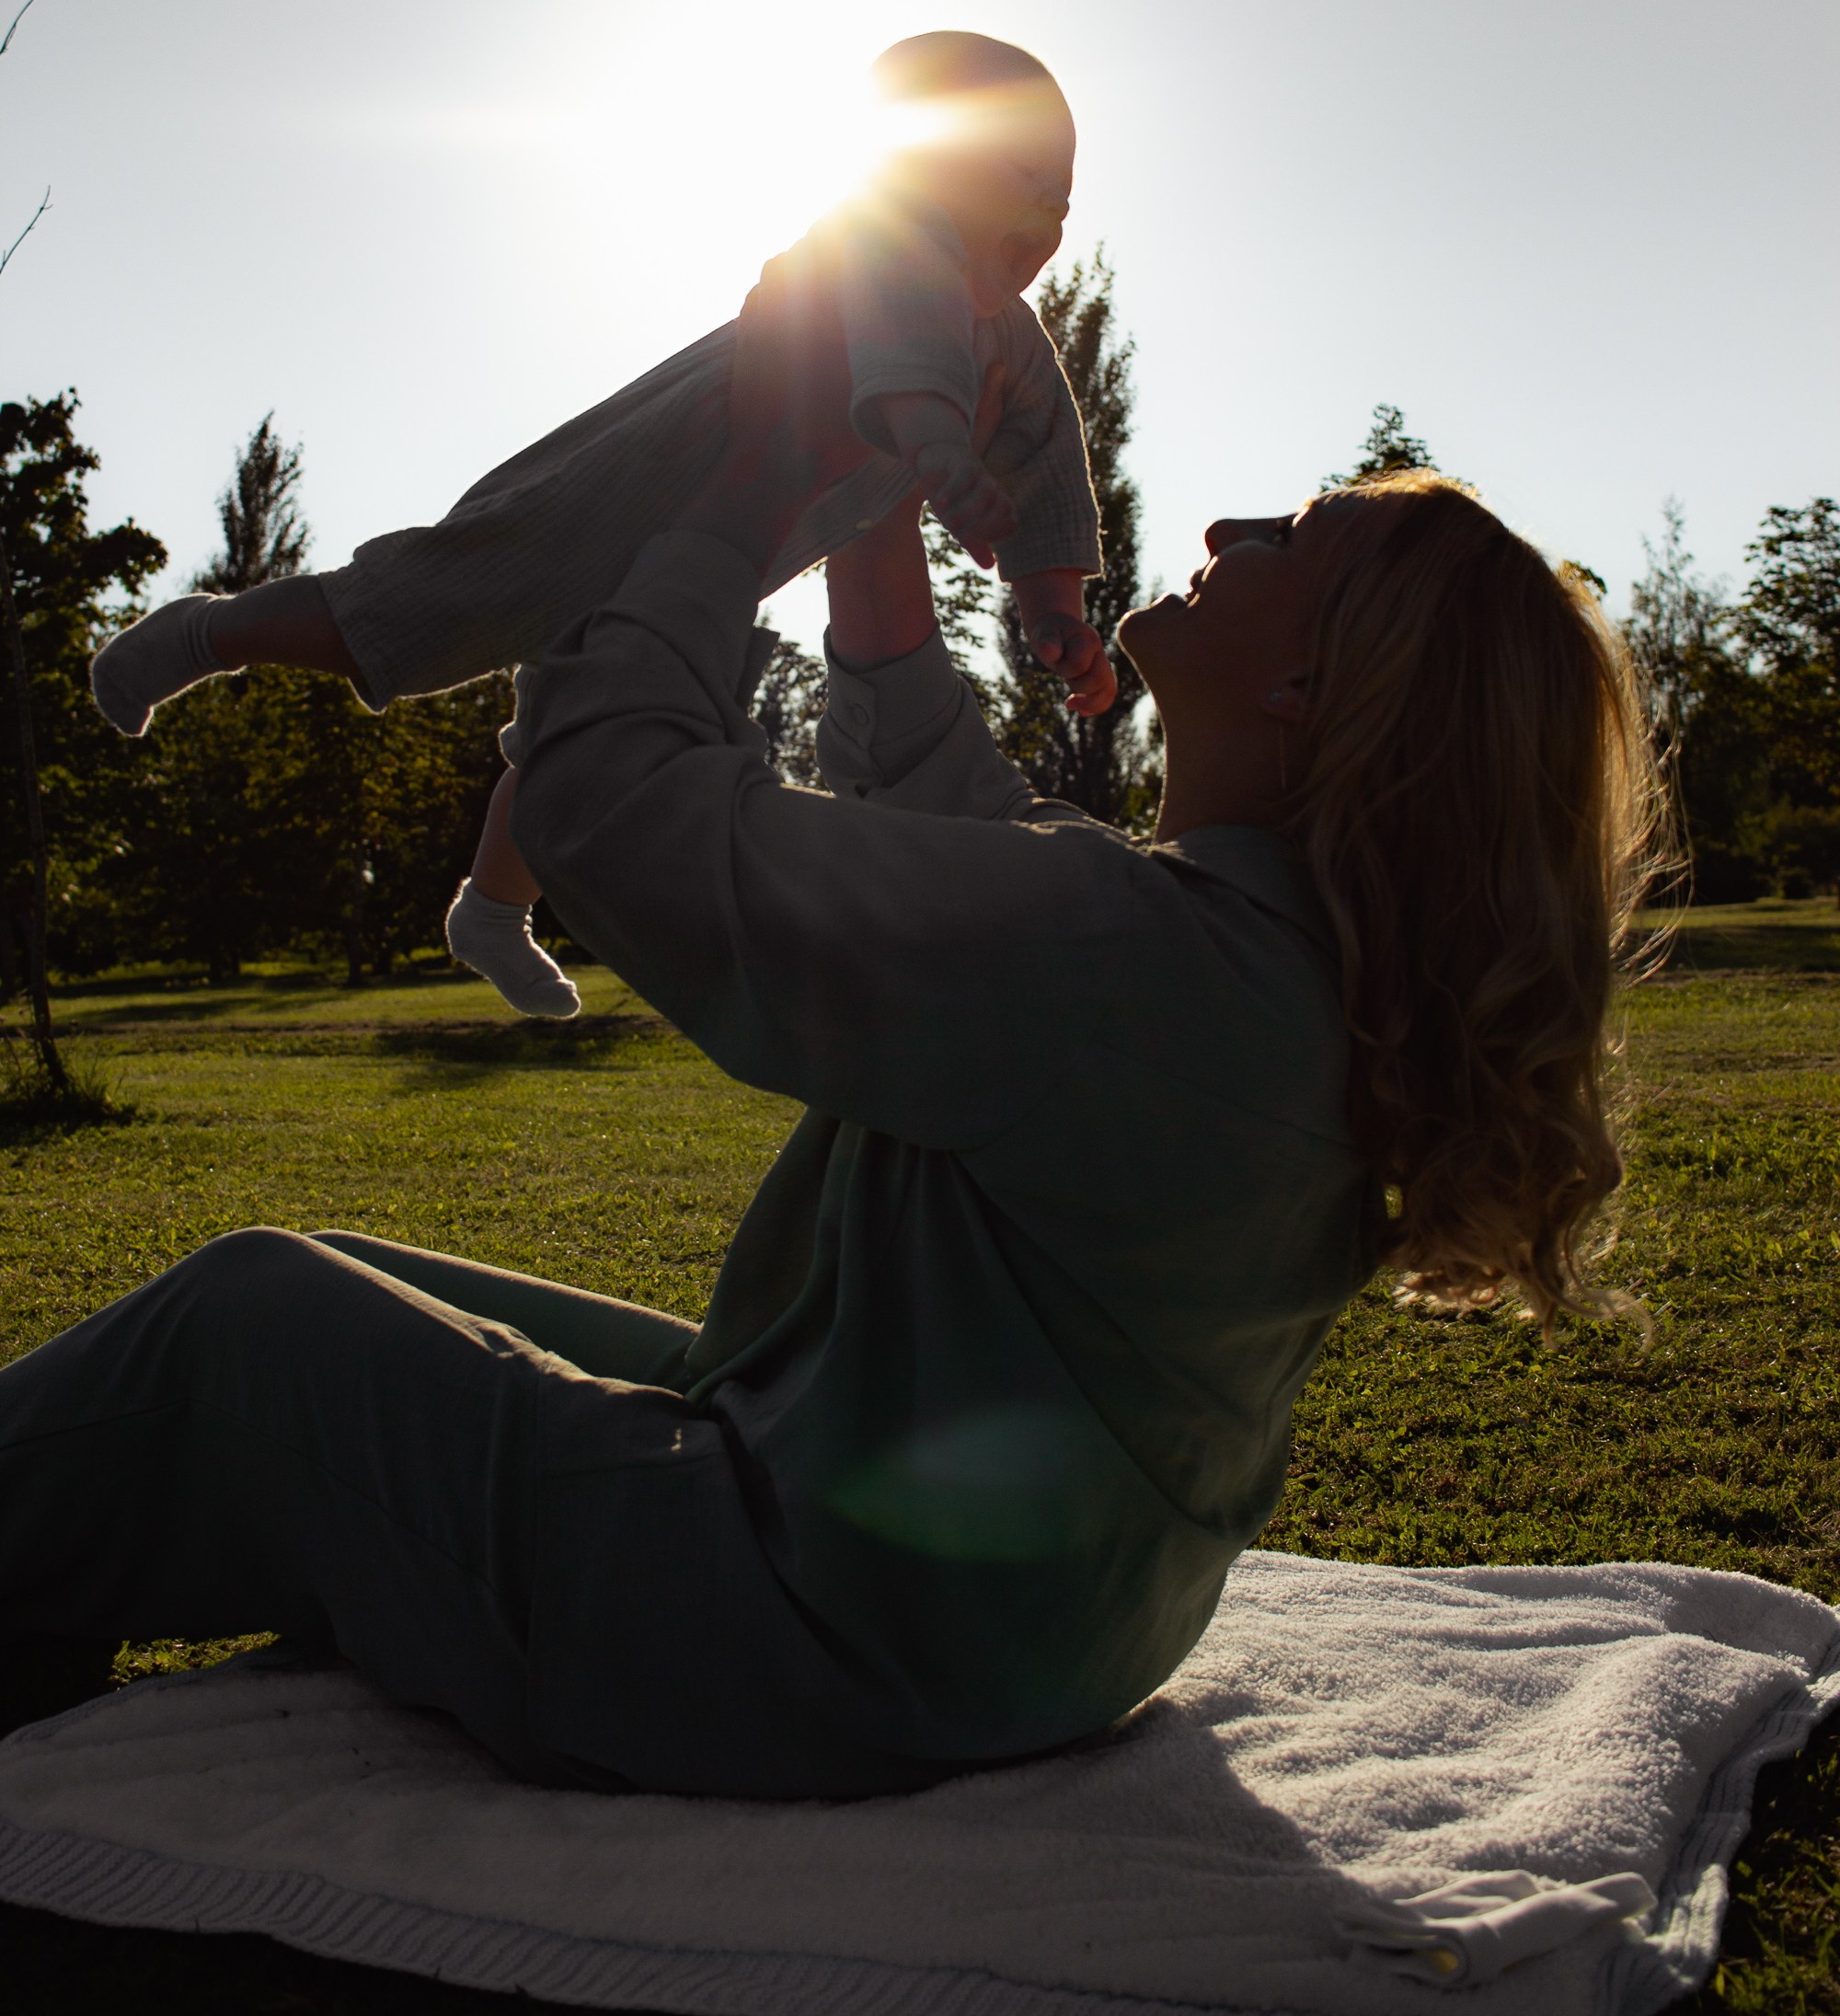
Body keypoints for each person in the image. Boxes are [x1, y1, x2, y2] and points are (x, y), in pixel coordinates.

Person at [0, 269, 1658, 1785]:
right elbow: (949, 814)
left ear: (1313, 688)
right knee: (360, 1286)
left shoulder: (1130, 955)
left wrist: (738, 501)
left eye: (1294, 540)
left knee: (245, 1324)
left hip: (789, 1630)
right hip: (1011, 1637)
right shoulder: (1262, 971)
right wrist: (873, 495)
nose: (1231, 525)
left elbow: (613, 808)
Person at [88, 32, 1114, 1020]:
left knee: (587, 715)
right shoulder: (884, 240)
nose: (1045, 208)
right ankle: (208, 633)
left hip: (697, 561)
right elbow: (907, 342)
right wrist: (936, 447)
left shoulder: (1011, 342)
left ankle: (493, 912)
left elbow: (1046, 459)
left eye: (1061, 193)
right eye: (1019, 172)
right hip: (604, 504)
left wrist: (1052, 605)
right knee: (418, 613)